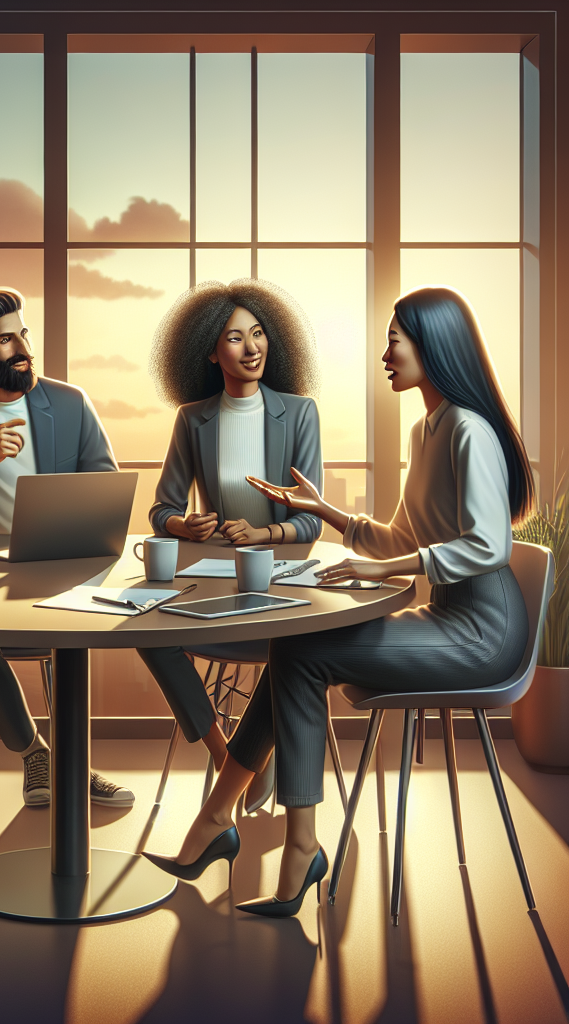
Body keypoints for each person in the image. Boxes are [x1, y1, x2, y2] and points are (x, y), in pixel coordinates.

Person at [146, 286, 533, 918]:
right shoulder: (427, 428)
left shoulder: (468, 430)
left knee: (301, 654)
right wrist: (324, 512)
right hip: (448, 617)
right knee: (294, 647)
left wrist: (393, 565)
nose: (386, 353)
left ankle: (270, 838)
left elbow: (488, 547)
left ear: (434, 347)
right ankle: (232, 824)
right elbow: (406, 535)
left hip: (485, 633)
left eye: (395, 339)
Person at [0, 287, 135, 807]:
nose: (22, 348)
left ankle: (71, 759)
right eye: (7, 339)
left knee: (75, 627)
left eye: (24, 334)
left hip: (61, 564)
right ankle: (37, 752)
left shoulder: (70, 402)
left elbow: (102, 483)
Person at [140, 278, 323, 808]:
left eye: (260, 334)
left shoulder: (299, 413)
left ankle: (244, 768)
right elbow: (162, 509)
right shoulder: (192, 420)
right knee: (150, 631)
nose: (252, 348)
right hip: (212, 580)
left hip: (282, 587)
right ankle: (228, 756)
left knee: (301, 649)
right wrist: (184, 526)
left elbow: (311, 522)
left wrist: (264, 533)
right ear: (211, 352)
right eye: (236, 338)